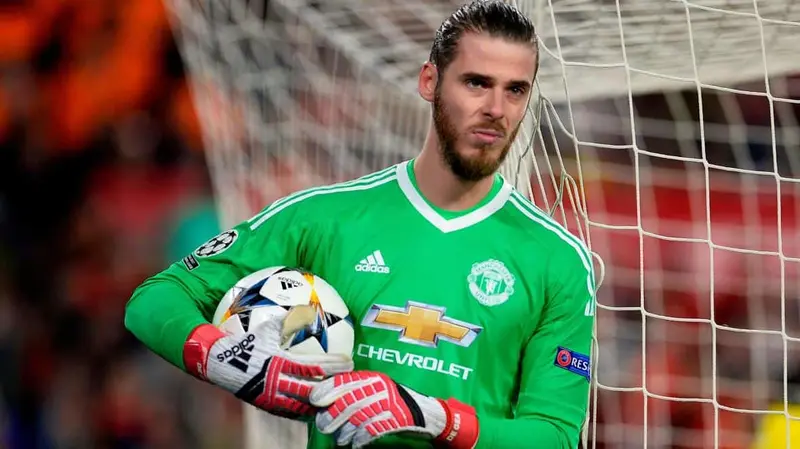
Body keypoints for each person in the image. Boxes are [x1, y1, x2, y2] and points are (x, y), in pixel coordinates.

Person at [124, 1, 596, 447]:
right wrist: (222, 357)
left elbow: (555, 435)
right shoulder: (324, 218)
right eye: (476, 83)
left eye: (515, 90)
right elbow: (156, 299)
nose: (496, 108)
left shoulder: (558, 260)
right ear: (429, 81)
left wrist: (436, 417)